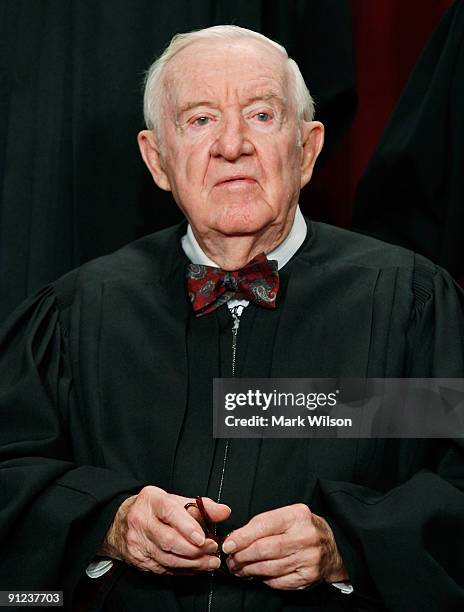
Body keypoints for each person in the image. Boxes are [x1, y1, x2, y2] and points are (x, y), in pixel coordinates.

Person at [1, 25, 463, 612]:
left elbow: (456, 486)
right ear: (157, 158)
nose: (232, 145)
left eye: (263, 115)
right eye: (200, 120)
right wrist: (110, 521)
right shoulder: (76, 315)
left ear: (309, 148)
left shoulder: (410, 305)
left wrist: (349, 544)